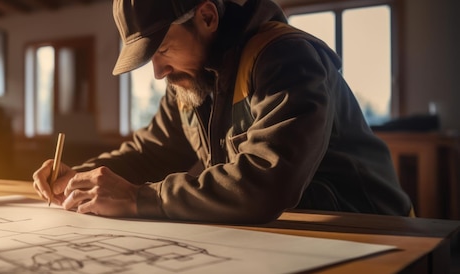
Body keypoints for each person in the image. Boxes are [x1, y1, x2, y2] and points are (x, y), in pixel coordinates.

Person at [33, 0, 413, 224]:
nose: (158, 72)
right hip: (289, 233)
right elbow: (151, 152)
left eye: (162, 50)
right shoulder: (191, 81)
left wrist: (140, 199)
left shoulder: (285, 58)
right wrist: (79, 177)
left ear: (208, 16)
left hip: (370, 231)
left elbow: (267, 181)